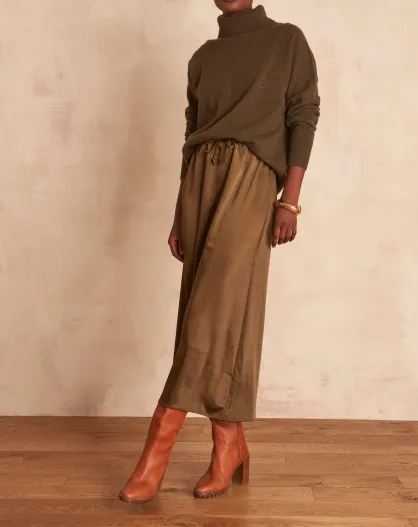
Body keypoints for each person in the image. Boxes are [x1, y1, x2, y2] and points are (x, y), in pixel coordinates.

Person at [119, 0, 320, 503]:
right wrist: (178, 212)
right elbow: (192, 135)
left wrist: (289, 200)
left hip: (252, 177)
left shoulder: (287, 40)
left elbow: (302, 116)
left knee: (213, 312)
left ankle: (158, 446)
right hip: (198, 184)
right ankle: (229, 443)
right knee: (209, 312)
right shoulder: (202, 57)